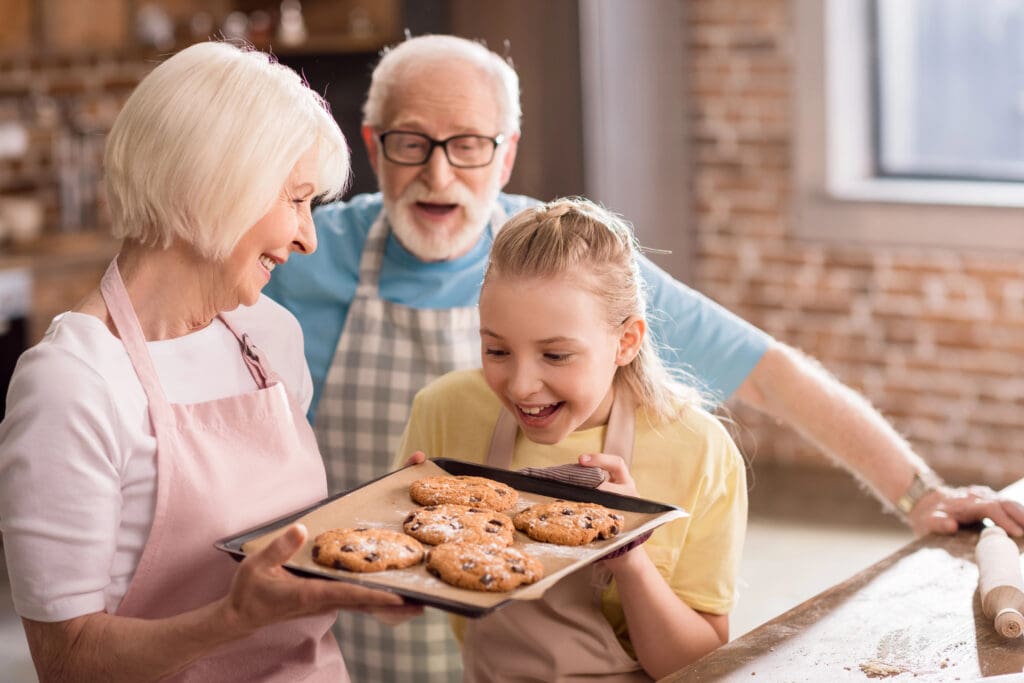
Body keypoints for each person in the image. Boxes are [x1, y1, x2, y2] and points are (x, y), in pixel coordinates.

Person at [263, 33, 1024, 682]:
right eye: (410, 143)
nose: (438, 174)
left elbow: (772, 373)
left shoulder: (561, 263)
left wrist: (920, 492)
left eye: (467, 145)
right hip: (368, 635)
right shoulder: (298, 249)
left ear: (507, 152)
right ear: (373, 146)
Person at [0, 41, 418, 682]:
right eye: (296, 199)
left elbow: (288, 558)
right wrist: (233, 618)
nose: (307, 236)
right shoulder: (72, 382)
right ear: (218, 184)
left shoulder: (270, 337)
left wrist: (391, 530)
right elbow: (67, 662)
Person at [395, 197, 746, 681]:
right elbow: (394, 592)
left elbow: (697, 669)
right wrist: (401, 531)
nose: (520, 386)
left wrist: (631, 557)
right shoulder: (445, 410)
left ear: (626, 342)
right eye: (496, 349)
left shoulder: (699, 451)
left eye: (556, 356)